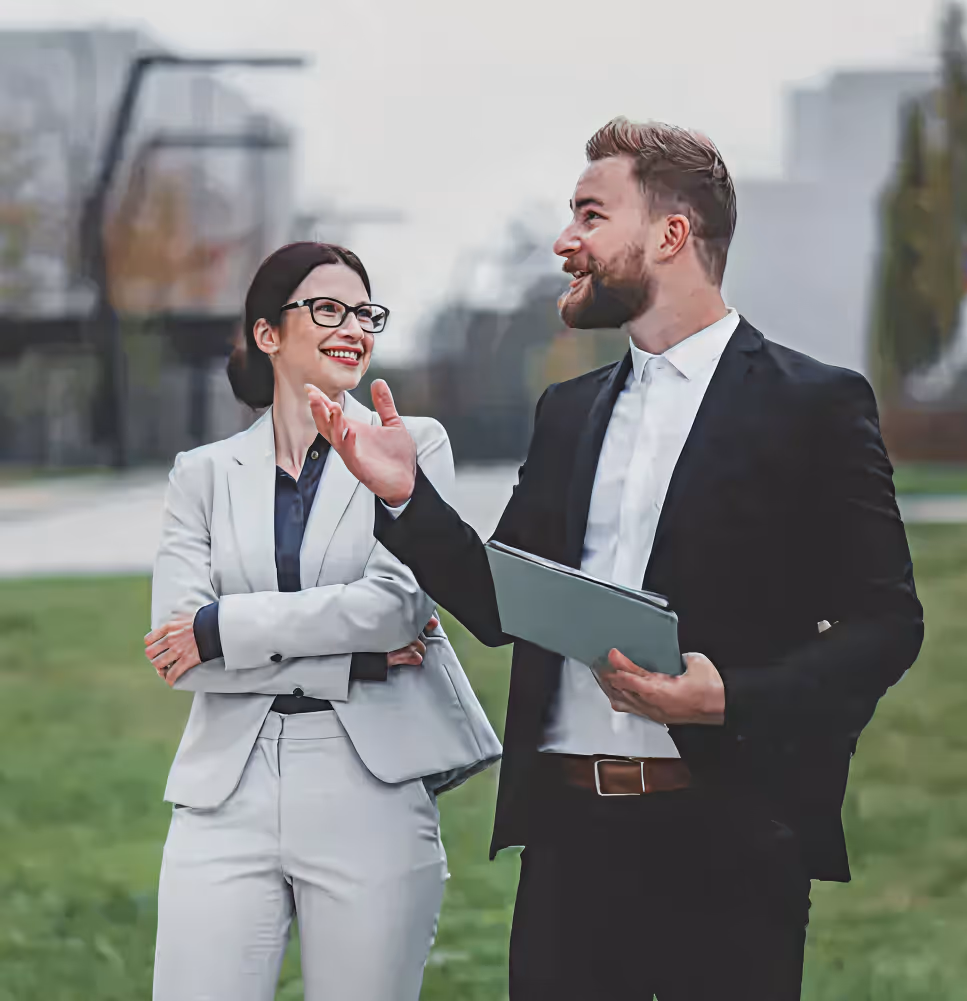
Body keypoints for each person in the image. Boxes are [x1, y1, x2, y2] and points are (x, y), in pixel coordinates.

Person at [305, 119, 924, 1000]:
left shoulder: (814, 405)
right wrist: (405, 495)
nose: (566, 241)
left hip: (730, 842)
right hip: (567, 845)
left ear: (670, 234)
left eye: (590, 215)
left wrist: (728, 697)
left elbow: (887, 624)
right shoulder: (567, 411)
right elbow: (499, 601)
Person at [143, 241, 501, 1001]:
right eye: (328, 308)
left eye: (364, 311)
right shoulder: (200, 474)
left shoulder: (412, 441)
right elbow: (181, 649)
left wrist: (224, 625)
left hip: (369, 785)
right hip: (222, 794)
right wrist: (353, 661)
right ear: (269, 333)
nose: (353, 327)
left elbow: (397, 605)